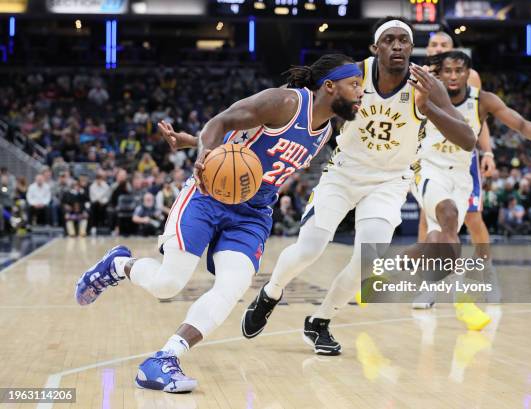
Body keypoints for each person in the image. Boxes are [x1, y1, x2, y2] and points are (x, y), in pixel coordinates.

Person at [74, 54, 364, 392]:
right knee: (168, 283)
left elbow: (243, 153)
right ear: (330, 86)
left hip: (253, 212)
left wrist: (189, 139)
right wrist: (200, 153)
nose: (361, 92)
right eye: (355, 84)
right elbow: (221, 123)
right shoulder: (284, 102)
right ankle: (119, 265)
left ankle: (165, 358)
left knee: (234, 285)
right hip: (209, 196)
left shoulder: (327, 131)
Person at [241, 17, 476, 355]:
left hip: (390, 181)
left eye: (404, 41)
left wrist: (429, 109)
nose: (397, 46)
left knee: (368, 261)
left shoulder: (426, 85)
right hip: (344, 172)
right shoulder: (353, 75)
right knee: (310, 248)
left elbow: (467, 139)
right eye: (389, 40)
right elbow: (312, 105)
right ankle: (271, 292)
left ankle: (320, 321)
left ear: (411, 48)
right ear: (375, 48)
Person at [408, 51, 531, 326]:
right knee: (445, 221)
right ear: (439, 74)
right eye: (448, 71)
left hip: (464, 172)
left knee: (455, 230)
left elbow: (518, 122)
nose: (453, 76)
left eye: (459, 71)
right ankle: (446, 290)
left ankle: (483, 274)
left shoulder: (481, 100)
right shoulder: (425, 91)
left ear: (469, 74)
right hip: (428, 168)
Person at [415, 31, 499, 311]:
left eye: (444, 45)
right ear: (427, 50)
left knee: (474, 217)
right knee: (429, 220)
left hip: (463, 159)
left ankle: (487, 273)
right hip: (430, 158)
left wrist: (487, 152)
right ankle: (428, 285)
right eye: (434, 44)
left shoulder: (469, 77)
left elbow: (480, 119)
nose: (438, 48)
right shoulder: (421, 76)